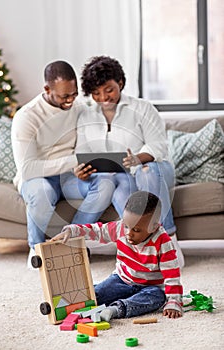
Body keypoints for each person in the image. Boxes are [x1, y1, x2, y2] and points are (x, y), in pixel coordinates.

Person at [75, 55, 184, 267]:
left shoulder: (142, 108)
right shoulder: (86, 115)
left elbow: (158, 146)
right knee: (117, 185)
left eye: (109, 90)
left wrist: (137, 158)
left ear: (121, 83)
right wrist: (81, 170)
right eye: (96, 93)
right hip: (117, 176)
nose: (104, 97)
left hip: (153, 170)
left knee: (147, 171)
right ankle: (139, 247)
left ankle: (168, 242)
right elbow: (82, 151)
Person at [11, 60, 115, 263]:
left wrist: (85, 164)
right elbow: (28, 168)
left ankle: (69, 242)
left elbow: (85, 142)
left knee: (106, 183)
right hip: (37, 177)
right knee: (42, 192)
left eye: (74, 94)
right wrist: (75, 161)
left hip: (70, 176)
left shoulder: (78, 108)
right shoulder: (27, 117)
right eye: (64, 96)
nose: (70, 101)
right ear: (47, 89)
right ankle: (36, 249)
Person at [51, 190, 183, 320]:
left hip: (150, 287)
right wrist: (71, 230)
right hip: (122, 280)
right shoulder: (119, 229)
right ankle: (85, 296)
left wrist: (173, 301)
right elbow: (97, 231)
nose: (128, 233)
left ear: (154, 227)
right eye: (126, 226)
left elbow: (172, 275)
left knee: (158, 297)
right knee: (95, 294)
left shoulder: (163, 242)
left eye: (136, 230)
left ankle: (114, 309)